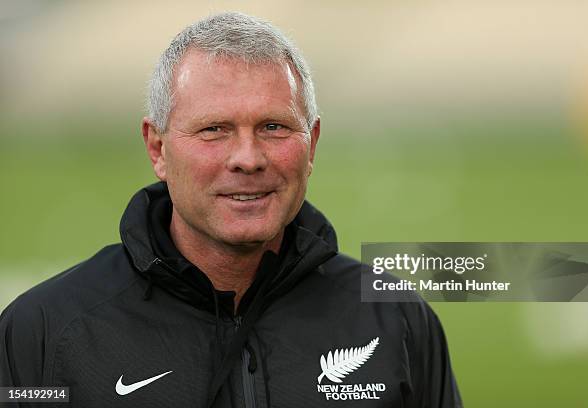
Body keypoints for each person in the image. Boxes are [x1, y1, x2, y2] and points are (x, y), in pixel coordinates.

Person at [0, 12, 462, 407]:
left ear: (312, 143)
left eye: (274, 126)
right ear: (157, 148)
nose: (248, 157)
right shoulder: (42, 331)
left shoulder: (397, 319)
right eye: (215, 129)